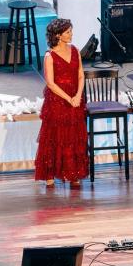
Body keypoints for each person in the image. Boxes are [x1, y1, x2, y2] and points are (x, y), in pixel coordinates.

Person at [33, 18, 88, 187]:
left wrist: (78, 95)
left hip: (75, 99)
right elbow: (50, 83)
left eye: (71, 31)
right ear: (58, 35)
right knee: (55, 138)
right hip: (58, 101)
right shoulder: (50, 56)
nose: (71, 35)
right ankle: (50, 174)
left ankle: (73, 173)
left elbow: (80, 74)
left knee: (73, 136)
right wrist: (68, 98)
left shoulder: (75, 50)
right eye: (68, 32)